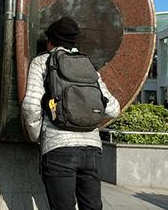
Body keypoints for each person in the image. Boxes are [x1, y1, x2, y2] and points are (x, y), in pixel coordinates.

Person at [22, 17, 121, 210]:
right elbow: (113, 109)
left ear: (50, 42)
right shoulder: (87, 65)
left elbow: (31, 106)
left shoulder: (43, 62)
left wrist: (37, 136)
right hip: (92, 150)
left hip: (58, 148)